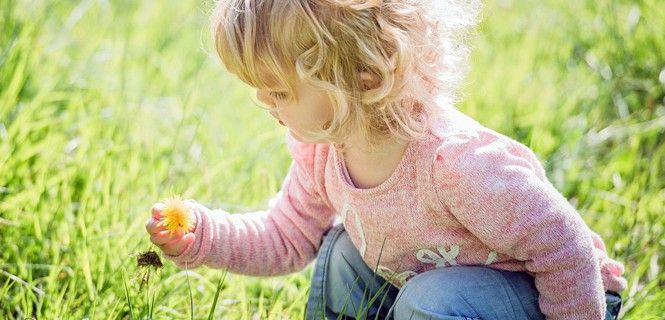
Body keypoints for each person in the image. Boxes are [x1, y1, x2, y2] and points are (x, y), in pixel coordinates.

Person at [144, 0, 627, 319]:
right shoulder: (322, 152)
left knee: (429, 301)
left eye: (279, 90)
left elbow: (566, 251)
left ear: (366, 75)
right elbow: (285, 237)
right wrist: (202, 235)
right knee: (340, 254)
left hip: (560, 298)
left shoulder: (458, 166)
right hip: (446, 290)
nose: (265, 103)